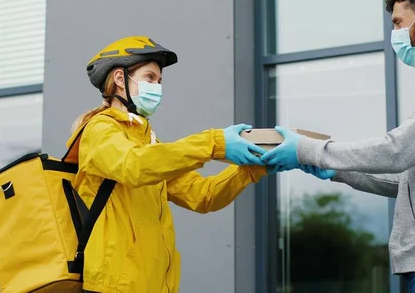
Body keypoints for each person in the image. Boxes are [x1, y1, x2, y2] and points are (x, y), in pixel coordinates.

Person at [260, 0, 415, 291]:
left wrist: (307, 149)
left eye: (399, 22)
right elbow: (409, 177)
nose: (395, 35)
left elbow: (398, 151)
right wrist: (335, 168)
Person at [69, 36, 277, 293]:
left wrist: (254, 168)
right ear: (121, 80)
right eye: (149, 77)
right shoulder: (100, 129)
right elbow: (134, 166)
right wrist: (214, 142)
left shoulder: (148, 142)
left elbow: (203, 196)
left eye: (159, 81)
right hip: (112, 287)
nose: (157, 86)